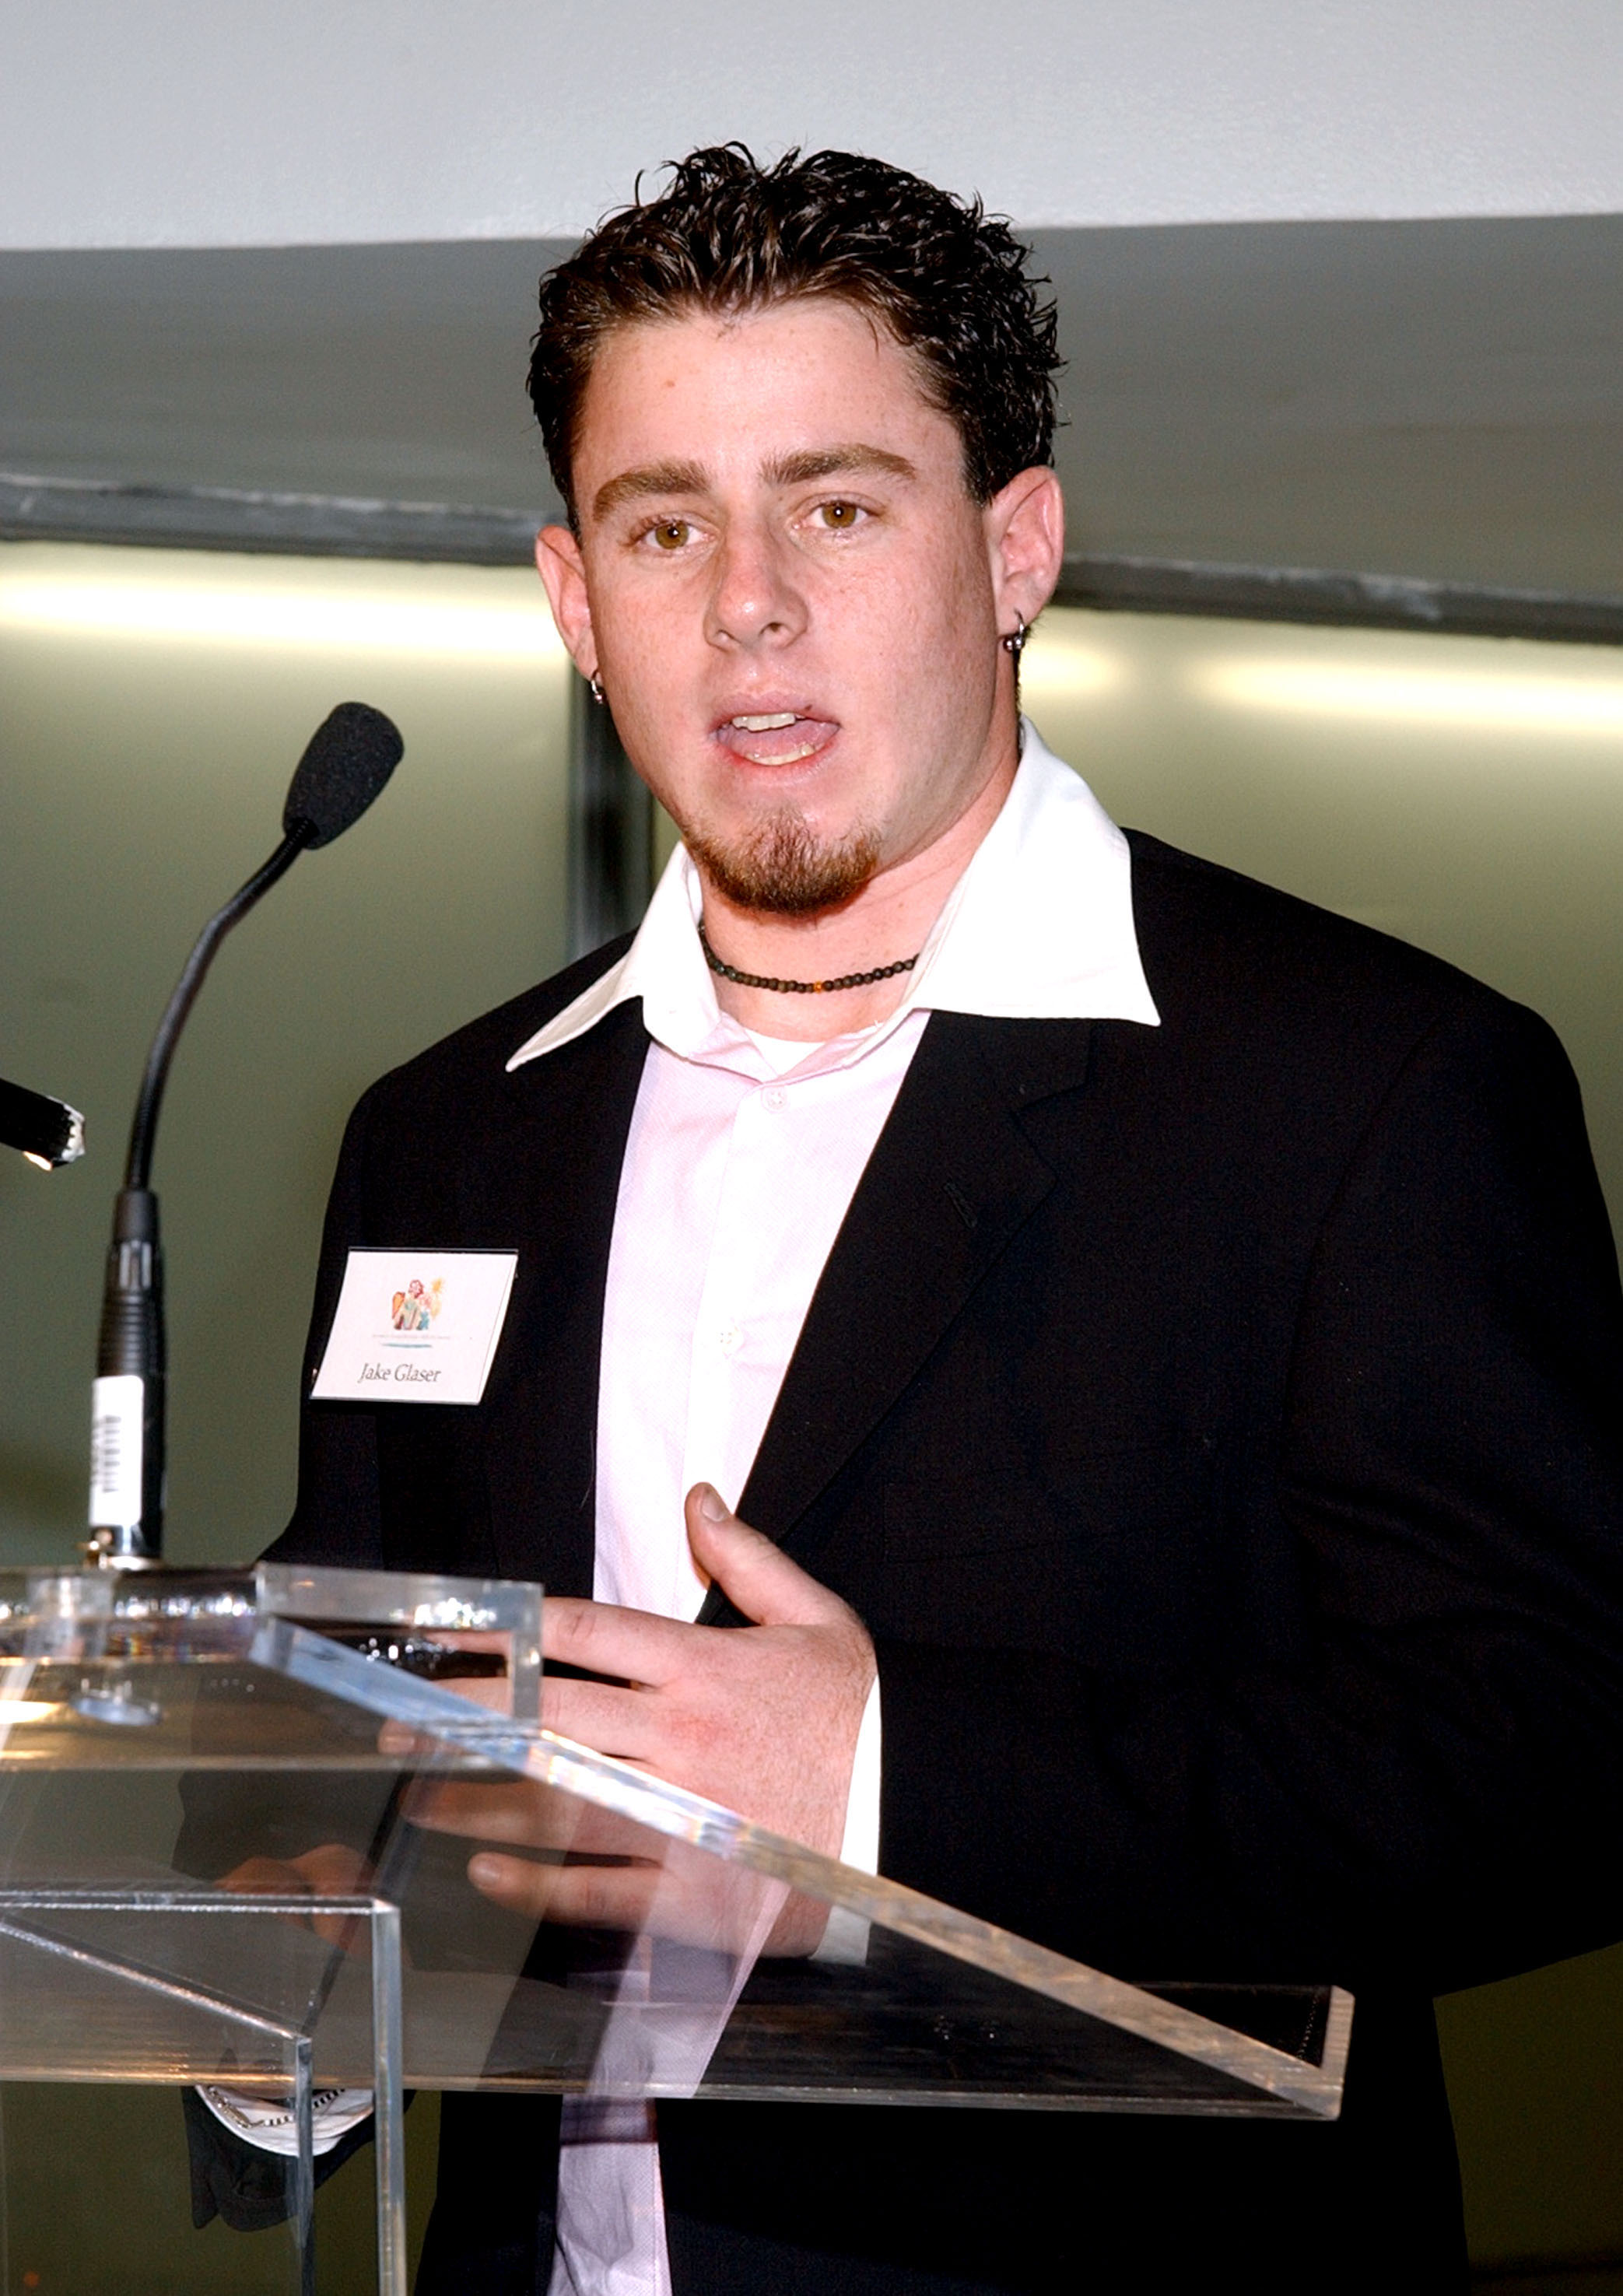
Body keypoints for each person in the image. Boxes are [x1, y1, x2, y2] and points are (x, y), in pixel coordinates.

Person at [213, 146, 1623, 2291]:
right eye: (663, 524)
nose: (748, 599)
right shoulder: (443, 1136)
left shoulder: (1366, 1086)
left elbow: (1551, 1763)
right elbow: (367, 1725)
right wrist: (282, 1973)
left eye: (841, 505)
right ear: (575, 603)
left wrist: (880, 1772)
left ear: (1017, 548)